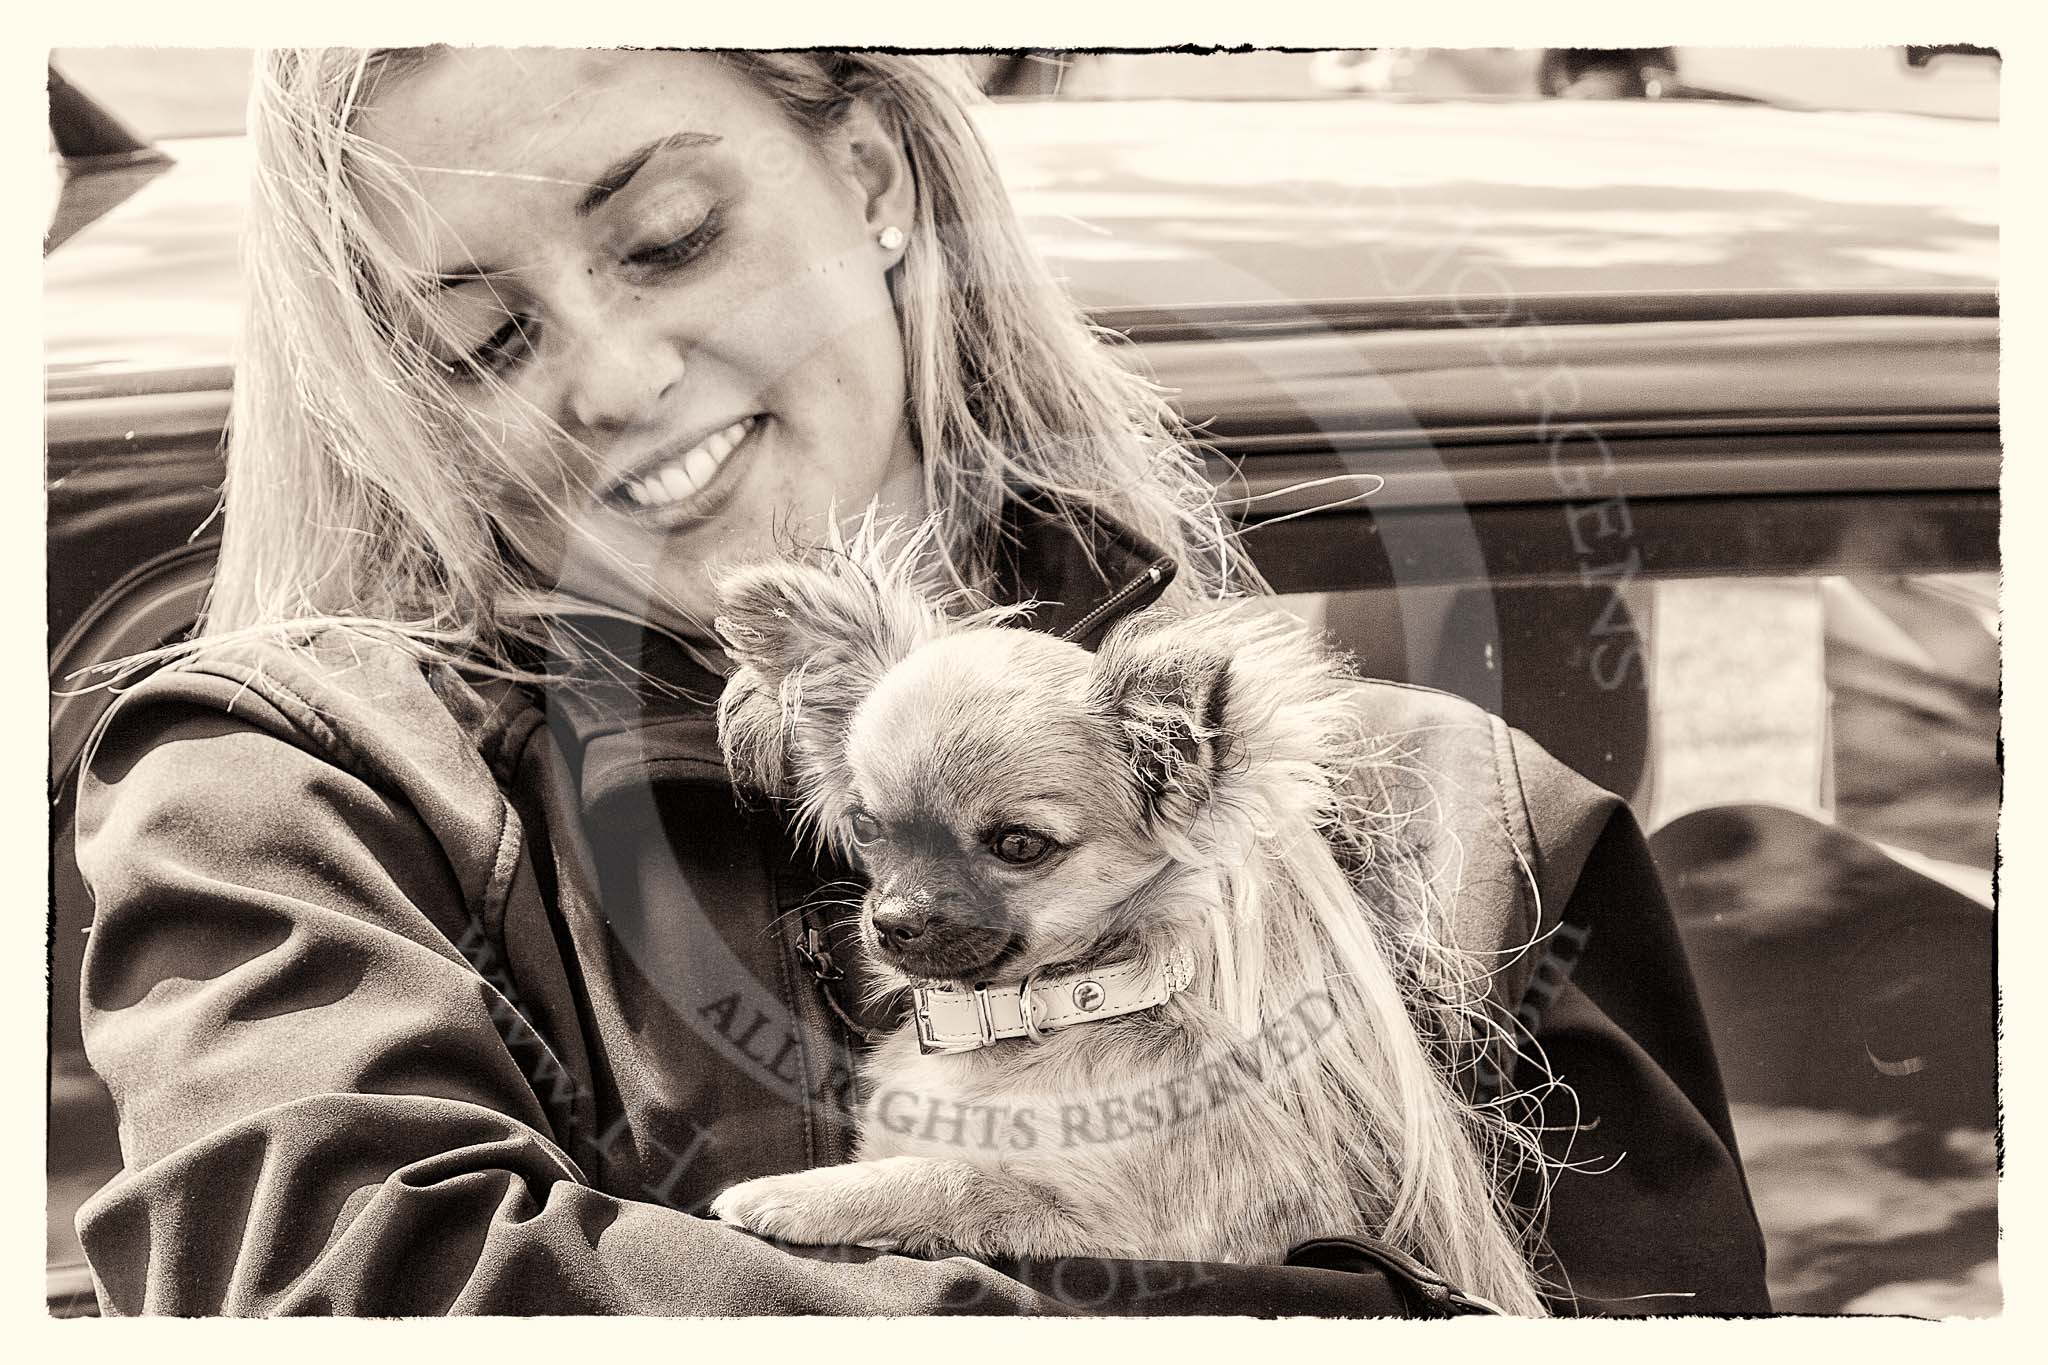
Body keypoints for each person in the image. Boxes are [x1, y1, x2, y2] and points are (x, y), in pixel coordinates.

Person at [70, 48, 1770, 1316]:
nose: (617, 373)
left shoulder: (1460, 817)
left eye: (666, 239)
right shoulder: (295, 796)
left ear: (874, 174)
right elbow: (345, 1297)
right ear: (405, 402)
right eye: (482, 339)